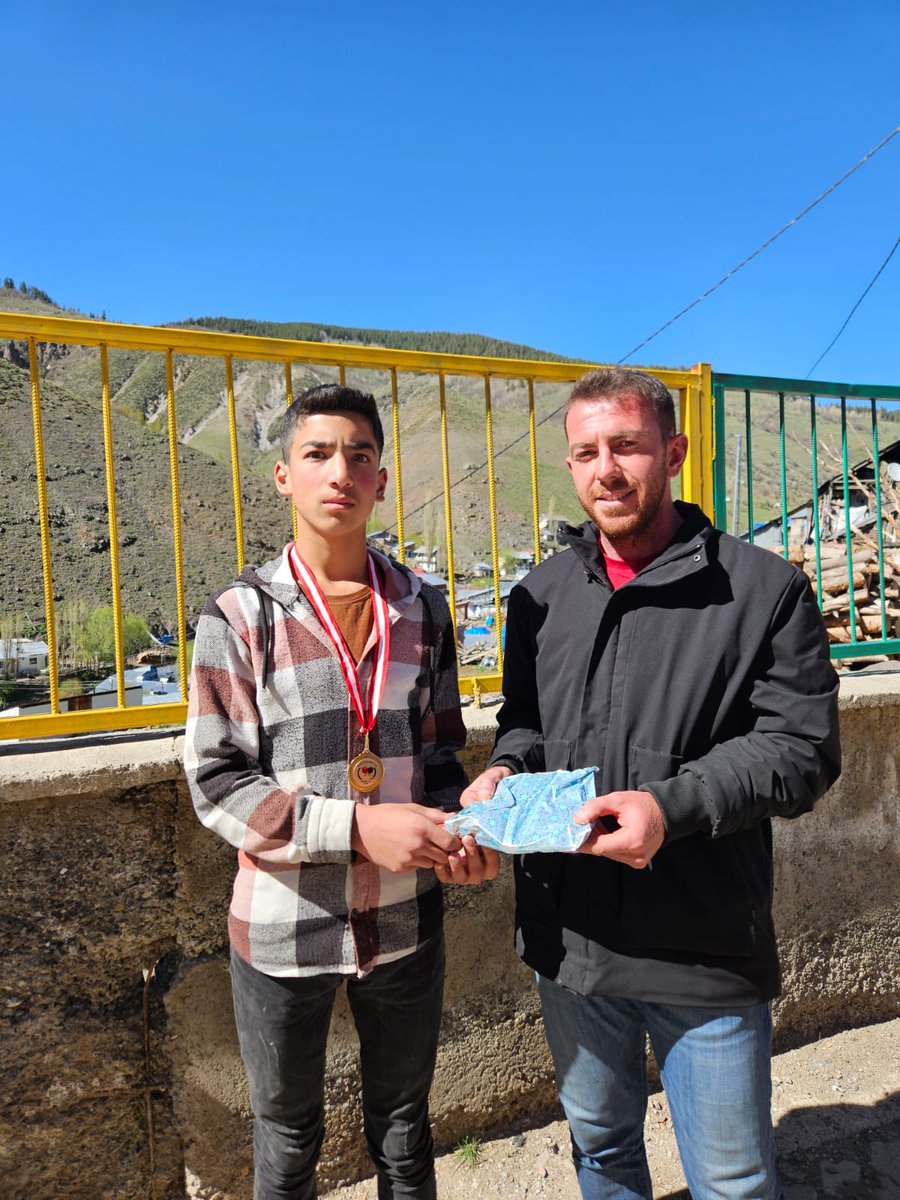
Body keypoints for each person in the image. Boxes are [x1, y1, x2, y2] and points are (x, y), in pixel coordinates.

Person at [460, 368, 841, 1200]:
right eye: (587, 451)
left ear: (672, 451)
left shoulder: (762, 591)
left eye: (627, 446)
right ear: (569, 466)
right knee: (600, 1151)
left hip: (702, 945)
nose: (608, 469)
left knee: (734, 1179)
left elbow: (802, 749)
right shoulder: (538, 599)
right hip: (568, 943)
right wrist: (503, 772)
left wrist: (671, 809)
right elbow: (523, 725)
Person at [185, 383, 497, 1200]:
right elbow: (217, 783)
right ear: (283, 475)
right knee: (288, 1141)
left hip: (404, 918)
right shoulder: (239, 614)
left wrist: (460, 831)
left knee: (404, 1128)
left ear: (382, 480)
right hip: (284, 929)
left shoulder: (422, 608)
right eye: (318, 454)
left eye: (360, 456)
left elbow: (437, 754)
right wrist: (358, 830)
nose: (340, 472)